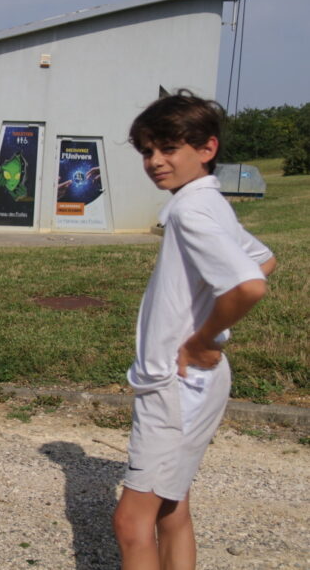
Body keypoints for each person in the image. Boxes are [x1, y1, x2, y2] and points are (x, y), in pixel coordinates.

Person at [112, 91, 277, 569]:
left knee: (130, 520)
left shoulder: (190, 210)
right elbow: (263, 258)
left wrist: (202, 339)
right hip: (191, 386)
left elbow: (249, 284)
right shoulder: (206, 202)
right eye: (147, 151)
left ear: (207, 148)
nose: (155, 161)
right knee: (171, 507)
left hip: (174, 387)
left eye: (168, 148)